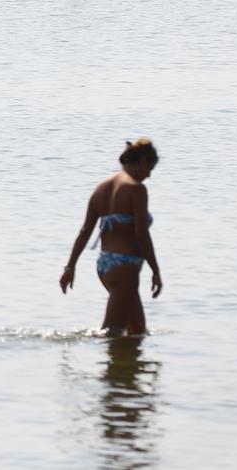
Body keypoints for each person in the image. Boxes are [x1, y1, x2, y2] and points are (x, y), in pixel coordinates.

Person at [60, 139, 163, 337]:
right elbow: (141, 234)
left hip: (105, 265)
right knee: (112, 332)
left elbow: (84, 232)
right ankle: (79, 358)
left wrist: (70, 266)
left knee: (137, 331)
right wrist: (155, 270)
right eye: (150, 168)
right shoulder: (136, 189)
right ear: (142, 160)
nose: (149, 175)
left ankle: (129, 366)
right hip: (125, 266)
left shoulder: (101, 188)